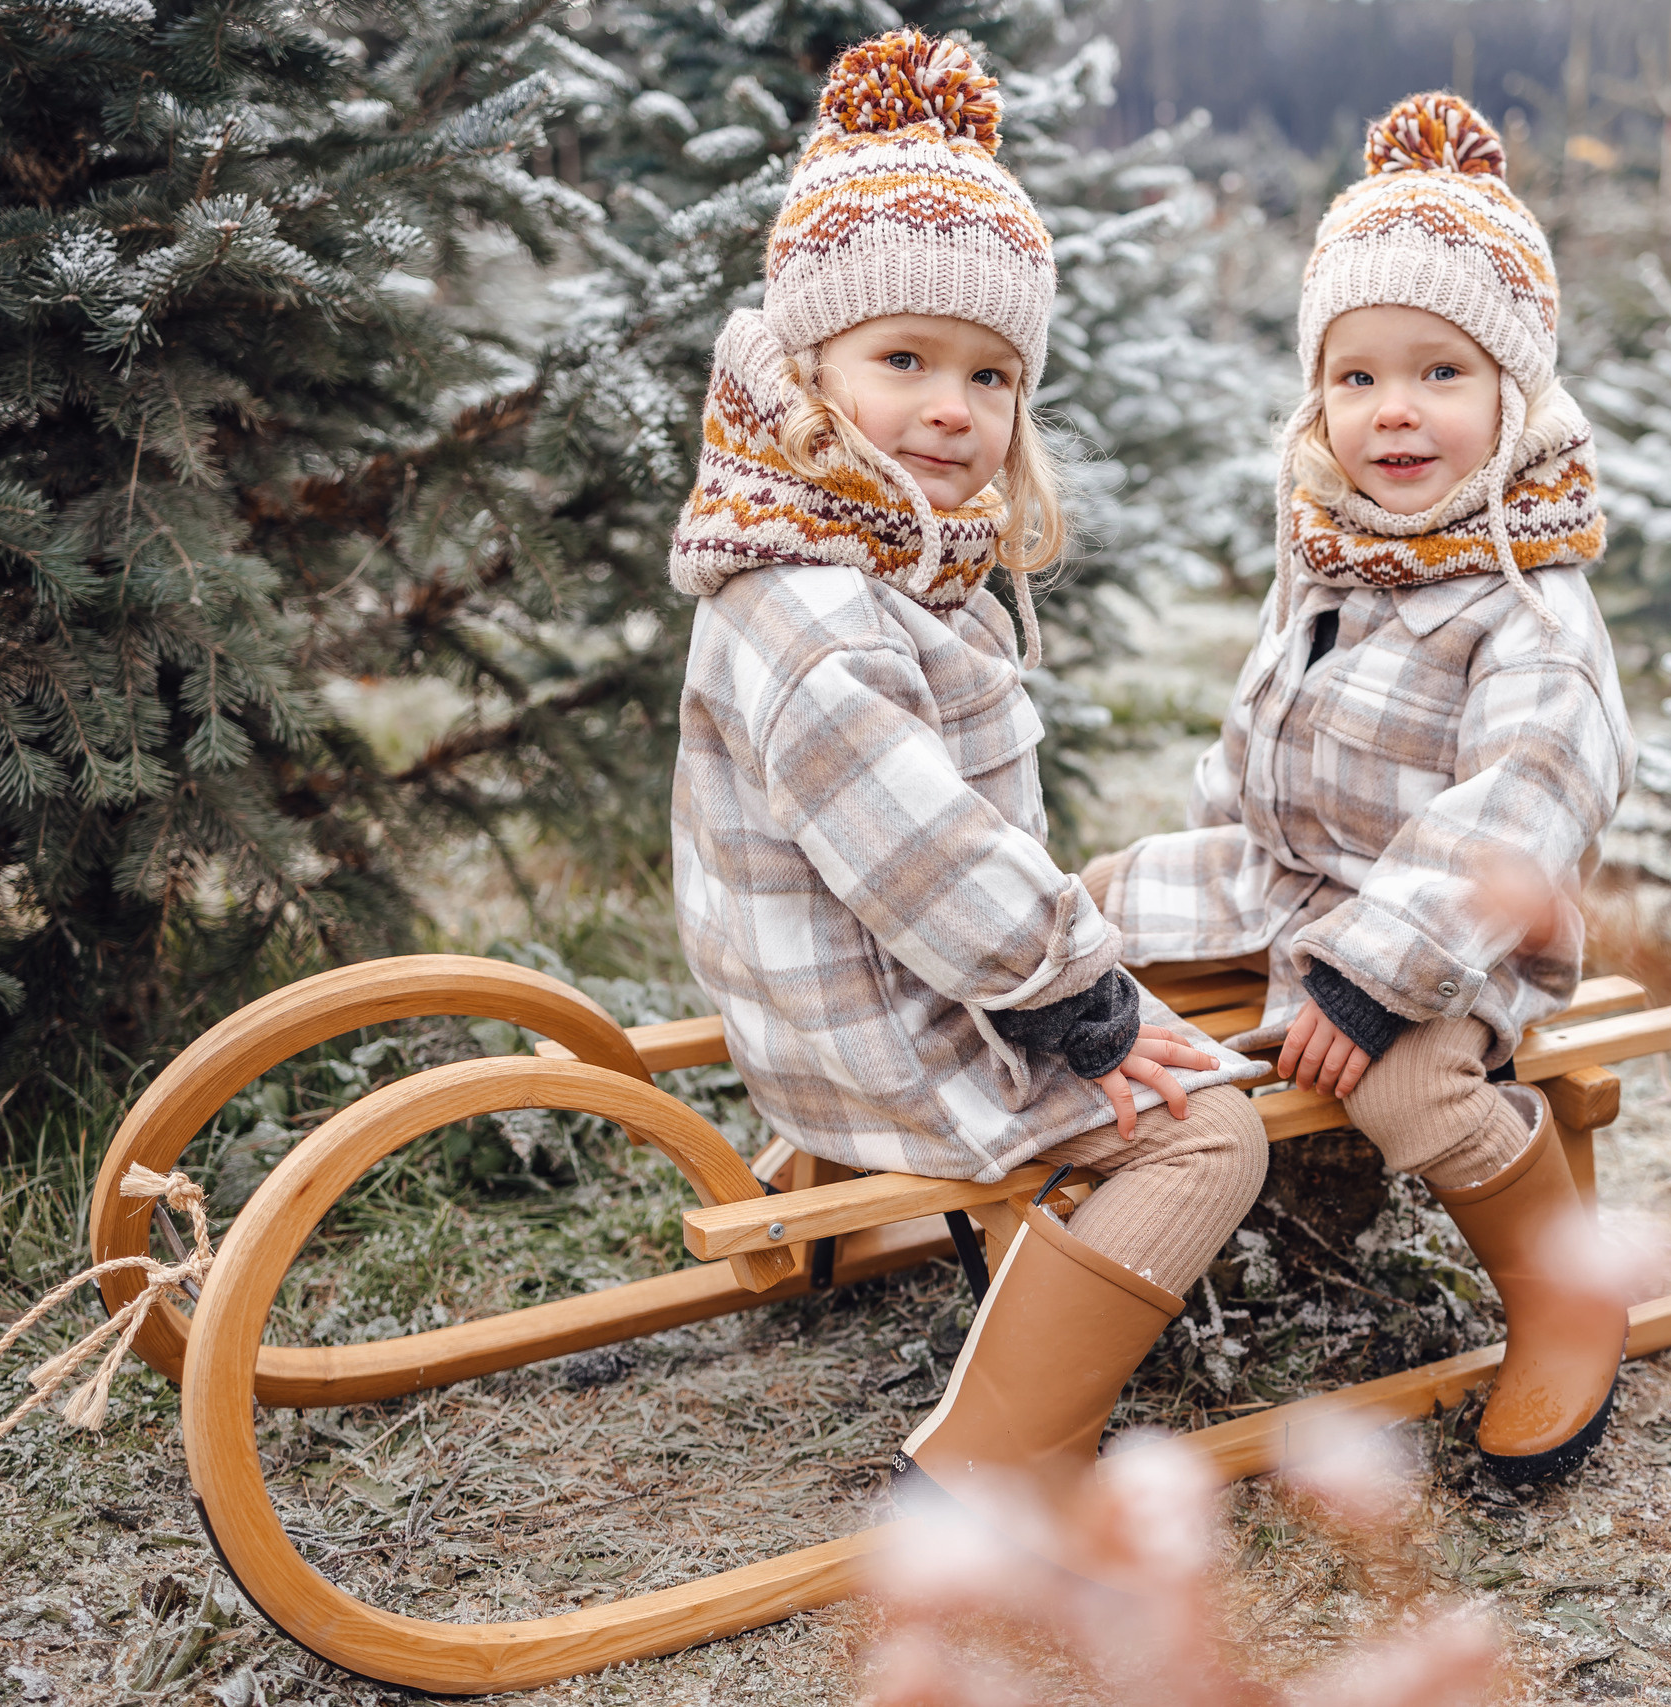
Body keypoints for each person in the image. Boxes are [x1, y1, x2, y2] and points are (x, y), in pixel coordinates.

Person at [664, 30, 1267, 1520]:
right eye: (903, 362)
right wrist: (1082, 1004)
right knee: (1211, 1136)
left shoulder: (870, 559)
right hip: (883, 1024)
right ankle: (992, 1457)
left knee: (1146, 940)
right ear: (806, 373)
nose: (952, 407)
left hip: (862, 984)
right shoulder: (812, 607)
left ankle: (1026, 1277)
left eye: (990, 374)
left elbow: (945, 846)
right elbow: (925, 852)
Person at [1085, 93, 1634, 1483]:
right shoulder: (1334, 546)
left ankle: (1566, 1296)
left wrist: (1370, 980)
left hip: (1452, 938)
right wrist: (1204, 853)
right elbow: (1268, 725)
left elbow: (1516, 807)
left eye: (1442, 374)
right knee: (1086, 906)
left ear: (1517, 394)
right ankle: (930, 1132)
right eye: (1358, 376)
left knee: (1409, 1092)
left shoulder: (1531, 609)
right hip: (1293, 876)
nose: (1396, 412)